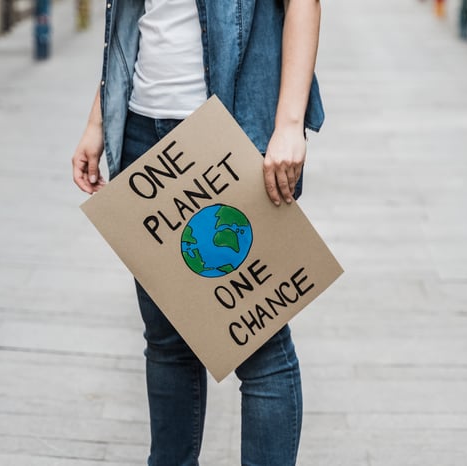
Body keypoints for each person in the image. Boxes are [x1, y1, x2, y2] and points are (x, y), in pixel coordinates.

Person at [71, 1, 324, 464]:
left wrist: (289, 124)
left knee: (260, 347)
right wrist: (97, 120)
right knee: (166, 341)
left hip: (232, 131)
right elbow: (137, 18)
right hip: (142, 133)